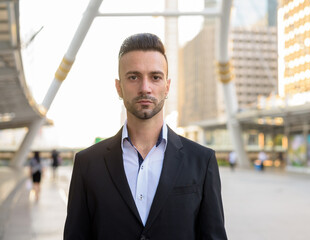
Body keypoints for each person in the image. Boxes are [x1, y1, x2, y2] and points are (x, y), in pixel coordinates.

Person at [64, 33, 227, 239]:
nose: (145, 88)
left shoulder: (202, 161)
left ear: (167, 87)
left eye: (155, 77)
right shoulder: (87, 163)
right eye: (133, 77)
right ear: (118, 87)